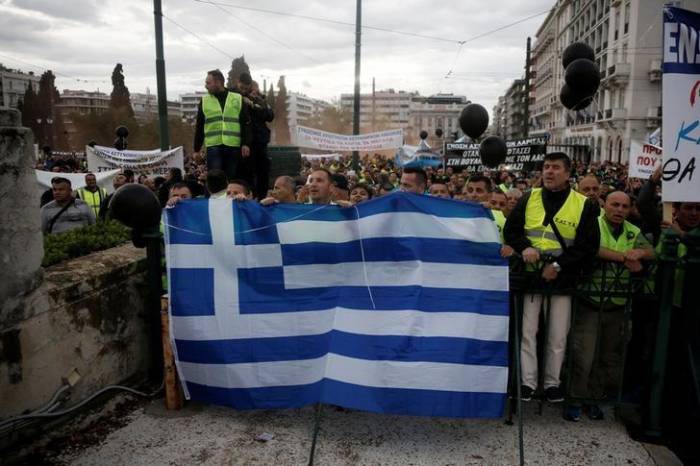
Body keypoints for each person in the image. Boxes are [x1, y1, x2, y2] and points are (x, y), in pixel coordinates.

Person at [504, 152, 600, 403]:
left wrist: (557, 265)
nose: (549, 171)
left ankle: (552, 384)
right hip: (532, 277)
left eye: (555, 167)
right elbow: (511, 231)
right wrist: (525, 247)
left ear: (568, 174)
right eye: (546, 167)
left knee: (558, 335)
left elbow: (588, 246)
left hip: (563, 278)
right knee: (528, 332)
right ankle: (527, 383)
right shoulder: (529, 198)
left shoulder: (584, 204)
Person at [566, 191, 654, 422]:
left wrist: (641, 252)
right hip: (590, 300)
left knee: (607, 357)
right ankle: (575, 399)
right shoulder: (592, 223)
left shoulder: (633, 231)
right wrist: (624, 257)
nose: (619, 210)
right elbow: (590, 248)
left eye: (625, 206)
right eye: (615, 205)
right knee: (583, 355)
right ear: (605, 205)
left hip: (617, 303)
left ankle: (594, 399)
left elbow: (654, 251)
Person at [193, 69, 252, 181]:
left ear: (218, 82)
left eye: (208, 83)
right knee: (215, 181)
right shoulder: (205, 101)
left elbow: (245, 123)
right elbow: (199, 126)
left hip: (233, 146)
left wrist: (246, 143)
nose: (206, 86)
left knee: (231, 179)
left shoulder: (237, 98)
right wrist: (196, 150)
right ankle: (216, 199)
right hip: (213, 146)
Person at [240, 75, 274, 199]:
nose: (255, 92)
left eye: (256, 89)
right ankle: (252, 195)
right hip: (248, 141)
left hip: (261, 139)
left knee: (263, 171)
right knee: (249, 171)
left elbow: (269, 116)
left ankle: (262, 196)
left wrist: (258, 103)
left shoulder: (262, 101)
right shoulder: (243, 100)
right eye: (252, 90)